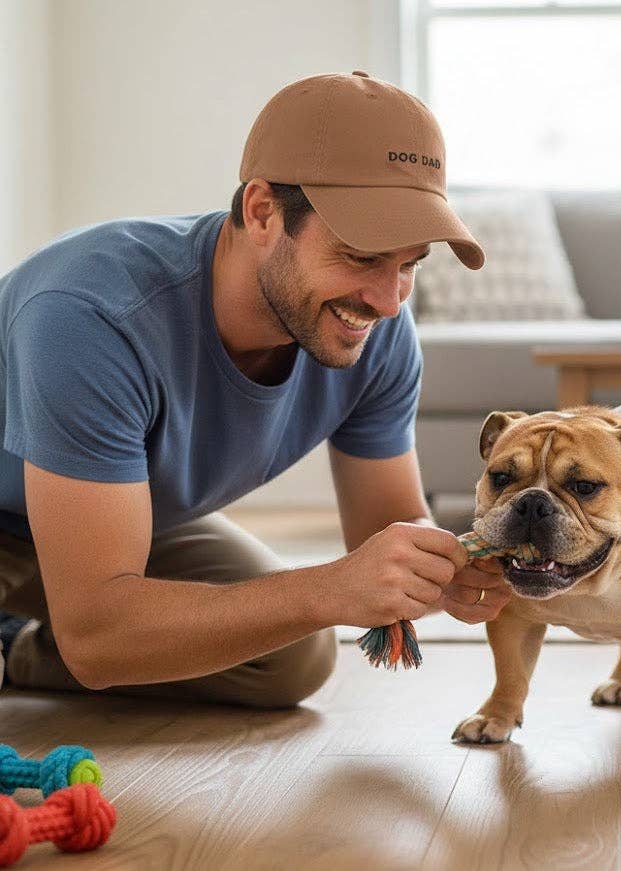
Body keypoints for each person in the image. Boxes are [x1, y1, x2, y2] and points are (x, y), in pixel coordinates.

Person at [0, 71, 512, 707]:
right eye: (359, 255)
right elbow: (100, 637)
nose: (386, 300)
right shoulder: (90, 313)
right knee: (124, 630)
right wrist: (328, 589)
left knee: (289, 656)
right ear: (263, 212)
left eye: (408, 264)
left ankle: (17, 646)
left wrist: (451, 569)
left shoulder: (376, 328)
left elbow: (387, 529)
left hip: (124, 516)